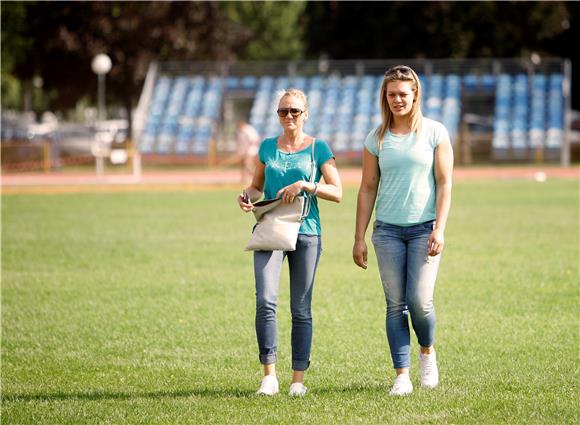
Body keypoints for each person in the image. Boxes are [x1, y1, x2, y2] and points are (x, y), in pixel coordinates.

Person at [352, 65, 453, 396]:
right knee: (395, 304)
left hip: (425, 229)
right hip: (387, 232)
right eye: (391, 94)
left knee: (420, 301)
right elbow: (367, 187)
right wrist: (359, 237)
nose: (397, 100)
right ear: (385, 96)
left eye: (403, 94)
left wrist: (440, 228)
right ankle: (402, 375)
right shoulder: (376, 138)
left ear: (415, 95)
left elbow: (444, 182)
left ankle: (427, 352)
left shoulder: (435, 132)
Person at [238, 88, 342, 396]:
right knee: (265, 301)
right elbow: (256, 187)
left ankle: (298, 380)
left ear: (305, 114)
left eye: (295, 111)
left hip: (307, 232)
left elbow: (337, 191)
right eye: (283, 111)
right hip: (270, 229)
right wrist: (246, 197)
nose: (289, 117)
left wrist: (306, 185)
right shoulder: (267, 148)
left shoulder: (318, 148)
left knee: (301, 308)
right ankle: (269, 376)